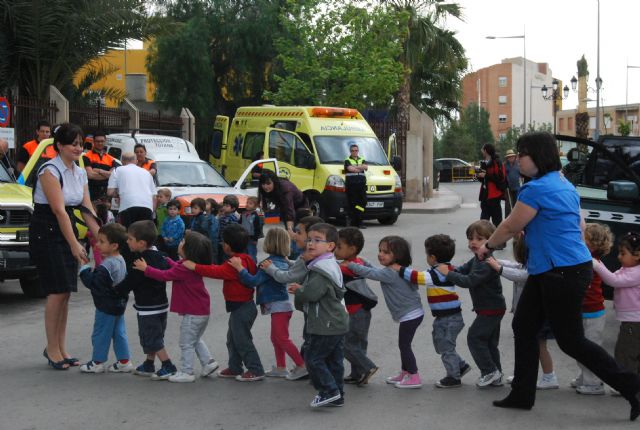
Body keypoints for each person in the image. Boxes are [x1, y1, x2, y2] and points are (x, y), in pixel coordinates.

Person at [477, 132, 640, 420]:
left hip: (561, 273)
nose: (518, 159)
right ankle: (522, 393)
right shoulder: (563, 183)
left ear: (537, 156)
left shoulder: (536, 189)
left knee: (571, 341)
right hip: (559, 268)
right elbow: (577, 225)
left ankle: (632, 386)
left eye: (522, 154)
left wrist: (487, 247)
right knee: (524, 326)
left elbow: (510, 226)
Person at [29, 123, 100, 370]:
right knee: (57, 291)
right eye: (73, 144)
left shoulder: (79, 172)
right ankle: (52, 349)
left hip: (66, 224)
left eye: (81, 144)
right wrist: (73, 244)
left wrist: (102, 239)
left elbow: (87, 208)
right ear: (59, 145)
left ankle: (61, 347)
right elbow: (58, 210)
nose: (78, 148)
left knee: (67, 292)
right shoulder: (49, 170)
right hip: (47, 229)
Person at [133, 231, 220, 383]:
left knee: (186, 342)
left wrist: (146, 269)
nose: (180, 243)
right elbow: (176, 269)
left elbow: (165, 276)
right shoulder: (188, 265)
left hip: (193, 313)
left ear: (188, 249)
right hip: (201, 311)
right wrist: (169, 261)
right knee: (195, 339)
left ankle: (187, 371)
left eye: (183, 242)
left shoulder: (184, 268)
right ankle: (208, 363)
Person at [184, 224, 265, 382]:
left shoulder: (235, 262)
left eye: (223, 241)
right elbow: (219, 268)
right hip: (241, 307)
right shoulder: (244, 258)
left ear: (228, 245)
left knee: (242, 340)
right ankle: (235, 367)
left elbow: (217, 272)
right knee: (233, 339)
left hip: (242, 307)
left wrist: (195, 267)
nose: (221, 244)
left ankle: (256, 369)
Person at [228, 227, 307, 380]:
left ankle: (301, 365)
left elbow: (253, 281)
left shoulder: (268, 263)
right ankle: (280, 367)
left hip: (279, 306)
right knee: (276, 337)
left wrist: (240, 268)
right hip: (281, 306)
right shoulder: (282, 261)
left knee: (281, 338)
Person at [348, 236, 425, 389]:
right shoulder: (396, 270)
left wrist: (351, 265)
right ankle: (405, 373)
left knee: (404, 346)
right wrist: (365, 262)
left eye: (386, 252)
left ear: (398, 255)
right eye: (380, 251)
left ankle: (414, 376)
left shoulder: (391, 273)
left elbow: (372, 274)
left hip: (410, 314)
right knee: (404, 345)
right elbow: (376, 271)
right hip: (412, 313)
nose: (381, 254)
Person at [437, 220, 506, 388]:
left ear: (491, 242)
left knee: (474, 338)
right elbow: (462, 269)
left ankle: (489, 371)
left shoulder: (487, 263)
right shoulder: (477, 258)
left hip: (491, 309)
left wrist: (448, 274)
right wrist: (450, 269)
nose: (473, 242)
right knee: (489, 343)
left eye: (479, 239)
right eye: (470, 239)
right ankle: (495, 374)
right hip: (489, 308)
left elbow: (469, 281)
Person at [397, 234, 471, 389]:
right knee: (441, 344)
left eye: (426, 255)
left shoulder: (437, 273)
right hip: (445, 317)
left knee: (445, 347)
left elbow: (417, 277)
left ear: (432, 257)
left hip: (450, 318)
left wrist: (398, 268)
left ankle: (453, 377)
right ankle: (461, 365)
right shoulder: (446, 269)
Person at [486, 233, 558, 390]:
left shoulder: (534, 270)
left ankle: (549, 376)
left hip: (536, 316)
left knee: (539, 347)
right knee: (526, 347)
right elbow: (514, 266)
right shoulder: (529, 264)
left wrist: (498, 267)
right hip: (528, 315)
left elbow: (519, 275)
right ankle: (524, 375)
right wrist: (495, 261)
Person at [288, 223, 348, 408]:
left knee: (313, 359)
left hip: (325, 324)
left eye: (317, 240)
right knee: (334, 360)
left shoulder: (320, 271)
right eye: (309, 240)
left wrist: (300, 290)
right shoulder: (329, 264)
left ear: (330, 246)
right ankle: (337, 394)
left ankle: (329, 391)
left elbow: (312, 294)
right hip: (337, 322)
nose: (311, 244)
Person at [115, 220, 176, 380]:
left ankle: (167, 365)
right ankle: (149, 363)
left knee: (152, 338)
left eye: (130, 239)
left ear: (141, 243)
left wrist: (114, 290)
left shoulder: (140, 262)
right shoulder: (161, 255)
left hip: (148, 307)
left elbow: (130, 282)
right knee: (155, 335)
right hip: (161, 305)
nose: (127, 241)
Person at [261, 215, 325, 361]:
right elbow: (297, 267)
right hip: (310, 304)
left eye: (299, 232)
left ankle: (304, 366)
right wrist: (289, 261)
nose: (294, 236)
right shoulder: (308, 256)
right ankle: (292, 365)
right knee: (306, 337)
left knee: (305, 338)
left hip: (313, 306)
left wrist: (269, 268)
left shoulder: (309, 257)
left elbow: (287, 277)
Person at [78, 223, 132, 374]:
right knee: (119, 332)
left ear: (114, 245)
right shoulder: (121, 260)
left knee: (101, 332)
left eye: (102, 241)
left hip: (106, 306)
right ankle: (124, 361)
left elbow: (94, 283)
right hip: (119, 304)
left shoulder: (107, 265)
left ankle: (97, 361)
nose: (97, 244)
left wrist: (84, 268)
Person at [571, 223, 613, 395]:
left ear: (592, 243)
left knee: (591, 348)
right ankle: (585, 377)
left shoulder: (591, 261)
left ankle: (594, 383)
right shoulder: (586, 258)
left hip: (593, 312)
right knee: (582, 348)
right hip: (585, 311)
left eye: (583, 238)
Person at [593, 232, 640, 384]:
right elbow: (614, 276)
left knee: (625, 352)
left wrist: (596, 264)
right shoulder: (627, 269)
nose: (619, 256)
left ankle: (627, 383)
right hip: (631, 320)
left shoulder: (637, 273)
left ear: (637, 255)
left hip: (635, 321)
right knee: (629, 351)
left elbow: (613, 280)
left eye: (623, 253)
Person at [336, 227, 379, 387]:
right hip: (362, 310)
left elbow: (334, 269)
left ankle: (368, 367)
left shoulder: (348, 267)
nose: (335, 249)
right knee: (359, 343)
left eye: (339, 247)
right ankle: (357, 373)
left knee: (347, 345)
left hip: (355, 312)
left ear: (352, 249)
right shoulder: (358, 262)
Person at [107, 152, 156, 228]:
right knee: (145, 235)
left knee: (129, 235)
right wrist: (152, 212)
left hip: (127, 206)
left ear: (122, 161)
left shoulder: (117, 170)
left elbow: (110, 192)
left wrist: (117, 192)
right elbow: (154, 196)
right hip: (147, 206)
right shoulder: (146, 172)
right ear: (136, 161)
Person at [258, 170, 309, 235]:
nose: (265, 186)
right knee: (287, 227)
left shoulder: (285, 189)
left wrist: (290, 229)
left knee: (297, 230)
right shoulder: (266, 190)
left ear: (274, 182)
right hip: (284, 206)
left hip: (301, 206)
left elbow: (289, 210)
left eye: (268, 183)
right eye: (263, 184)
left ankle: (294, 239)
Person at [477, 143, 506, 227]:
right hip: (485, 195)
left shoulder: (497, 162)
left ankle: (500, 239)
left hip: (495, 195)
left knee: (497, 221)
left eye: (482, 149)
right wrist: (478, 175)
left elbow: (500, 178)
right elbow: (483, 180)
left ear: (485, 151)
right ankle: (483, 239)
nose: (481, 151)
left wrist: (486, 175)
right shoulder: (484, 163)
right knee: (483, 221)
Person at [83, 130, 117, 200]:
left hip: (106, 194)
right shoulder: (87, 156)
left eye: (102, 141)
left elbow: (113, 175)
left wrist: (99, 171)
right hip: (91, 193)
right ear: (93, 142)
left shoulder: (111, 159)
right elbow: (90, 175)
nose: (100, 143)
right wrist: (108, 175)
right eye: (97, 141)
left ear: (105, 141)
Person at [344, 143, 368, 229]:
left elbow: (366, 167)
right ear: (350, 151)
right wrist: (359, 167)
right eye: (353, 151)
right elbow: (351, 169)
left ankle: (359, 221)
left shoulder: (362, 159)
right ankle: (352, 222)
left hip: (361, 185)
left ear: (358, 151)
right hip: (351, 185)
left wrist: (356, 166)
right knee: (352, 203)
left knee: (362, 202)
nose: (355, 152)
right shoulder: (347, 160)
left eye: (356, 150)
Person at [239, 196, 263, 263]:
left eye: (250, 203)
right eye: (247, 202)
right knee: (244, 252)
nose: (247, 204)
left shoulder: (255, 216)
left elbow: (257, 228)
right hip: (243, 237)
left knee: (251, 252)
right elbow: (240, 223)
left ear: (255, 206)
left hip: (251, 238)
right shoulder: (243, 214)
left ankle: (253, 265)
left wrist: (255, 239)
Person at [216, 195, 240, 263]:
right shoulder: (223, 216)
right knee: (220, 257)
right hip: (221, 240)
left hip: (227, 242)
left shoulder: (232, 218)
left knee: (226, 258)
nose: (224, 207)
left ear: (233, 209)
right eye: (224, 205)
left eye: (227, 206)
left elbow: (233, 231)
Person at [504, 149, 520, 218]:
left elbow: (521, 174)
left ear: (514, 157)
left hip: (517, 186)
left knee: (516, 204)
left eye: (512, 156)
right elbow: (502, 175)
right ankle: (508, 218)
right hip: (508, 187)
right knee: (508, 205)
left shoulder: (518, 164)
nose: (511, 158)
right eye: (509, 157)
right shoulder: (504, 165)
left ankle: (515, 218)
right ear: (507, 158)